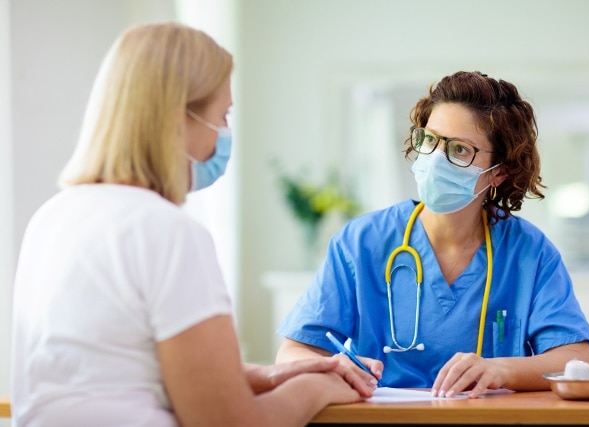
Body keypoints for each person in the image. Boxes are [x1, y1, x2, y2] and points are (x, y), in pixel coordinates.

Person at [10, 22, 366, 427]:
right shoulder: (166, 231)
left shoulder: (53, 217)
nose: (226, 133)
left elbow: (115, 370)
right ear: (178, 117)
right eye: (223, 114)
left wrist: (269, 375)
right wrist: (319, 388)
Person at [276, 71, 589, 399]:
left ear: (498, 172)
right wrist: (335, 367)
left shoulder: (529, 252)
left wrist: (500, 369)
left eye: (460, 150)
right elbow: (293, 352)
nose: (435, 159)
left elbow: (576, 359)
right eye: (429, 140)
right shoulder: (361, 242)